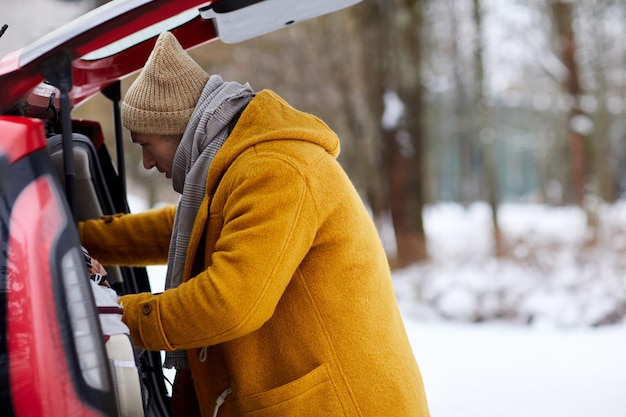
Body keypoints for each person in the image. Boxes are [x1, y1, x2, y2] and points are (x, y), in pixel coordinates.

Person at [79, 31, 430, 417]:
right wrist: (75, 238)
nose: (147, 162)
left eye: (146, 144)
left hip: (342, 404)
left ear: (179, 129)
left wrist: (113, 316)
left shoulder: (275, 169)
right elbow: (184, 228)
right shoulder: (234, 165)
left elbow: (227, 302)